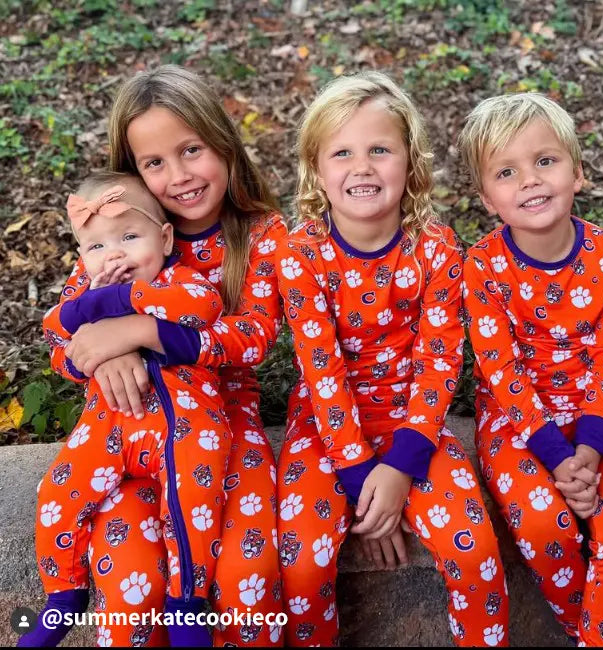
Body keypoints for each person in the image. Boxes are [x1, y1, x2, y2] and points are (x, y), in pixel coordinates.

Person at [42, 65, 287, 647]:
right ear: (133, 172)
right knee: (131, 583)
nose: (178, 176)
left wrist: (141, 331)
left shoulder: (260, 234)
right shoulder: (119, 234)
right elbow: (64, 340)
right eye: (154, 163)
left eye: (191, 149)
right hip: (124, 423)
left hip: (226, 425)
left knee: (245, 577)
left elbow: (251, 337)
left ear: (223, 144)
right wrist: (102, 358)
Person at [275, 71, 509, 647]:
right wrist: (362, 485)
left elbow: (438, 362)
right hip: (328, 429)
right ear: (316, 170)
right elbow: (321, 372)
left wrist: (400, 468)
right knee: (302, 563)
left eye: (380, 149)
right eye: (343, 153)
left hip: (415, 423)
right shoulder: (301, 254)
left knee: (476, 551)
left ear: (409, 162)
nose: (362, 166)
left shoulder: (435, 248)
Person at [458, 92, 603, 646]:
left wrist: (588, 451)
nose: (530, 180)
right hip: (518, 426)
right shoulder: (483, 266)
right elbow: (500, 370)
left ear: (578, 173)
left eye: (545, 161)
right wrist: (558, 460)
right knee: (545, 526)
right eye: (507, 171)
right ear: (488, 198)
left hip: (598, 421)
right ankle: (581, 627)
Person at [26, 171, 228, 647]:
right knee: (59, 492)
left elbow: (201, 307)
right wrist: (92, 304)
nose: (113, 254)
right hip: (111, 423)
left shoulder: (181, 281)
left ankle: (187, 605)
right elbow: (55, 329)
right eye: (96, 247)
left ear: (164, 237)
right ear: (82, 257)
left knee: (189, 508)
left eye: (129, 237)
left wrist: (119, 306)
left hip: (185, 425)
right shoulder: (85, 293)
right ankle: (64, 594)